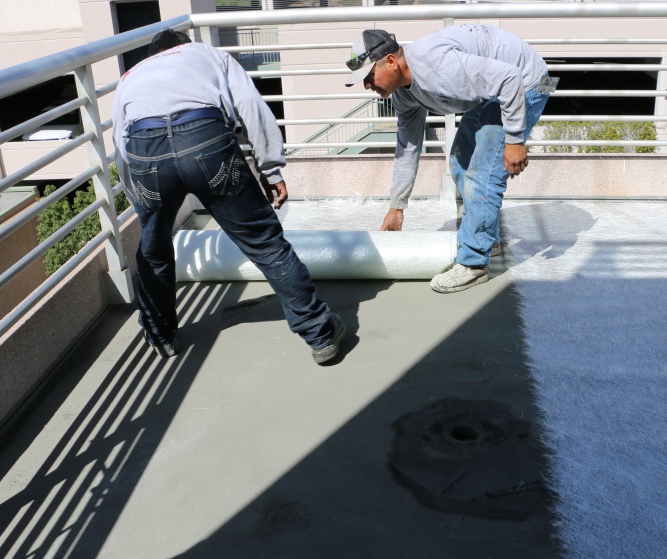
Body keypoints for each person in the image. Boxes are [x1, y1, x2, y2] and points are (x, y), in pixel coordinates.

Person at [113, 29, 344, 363]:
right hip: (204, 138)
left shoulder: (130, 76)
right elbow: (250, 105)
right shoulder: (207, 54)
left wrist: (142, 202)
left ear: (153, 54)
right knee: (264, 242)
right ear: (186, 46)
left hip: (145, 153)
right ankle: (320, 335)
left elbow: (121, 148)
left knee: (153, 249)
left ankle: (160, 335)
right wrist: (270, 169)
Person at [344, 26, 553, 293]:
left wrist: (513, 140)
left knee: (482, 175)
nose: (366, 85)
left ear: (391, 61)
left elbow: (510, 78)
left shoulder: (439, 67)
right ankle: (485, 235)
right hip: (494, 89)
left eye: (369, 76)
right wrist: (397, 207)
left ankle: (474, 263)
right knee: (459, 161)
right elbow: (408, 146)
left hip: (528, 81)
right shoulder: (404, 94)